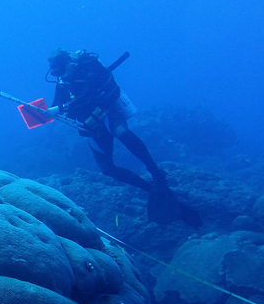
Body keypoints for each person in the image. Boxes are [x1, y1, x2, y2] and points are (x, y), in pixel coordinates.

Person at [42, 48, 201, 227]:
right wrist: (46, 113)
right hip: (92, 125)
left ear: (69, 63)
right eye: (55, 73)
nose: (59, 75)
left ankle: (157, 174)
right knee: (107, 169)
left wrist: (62, 108)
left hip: (109, 112)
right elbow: (57, 105)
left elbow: (88, 93)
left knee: (122, 133)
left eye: (60, 70)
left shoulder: (89, 68)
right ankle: (151, 189)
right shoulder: (63, 81)